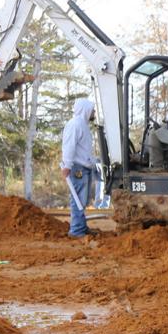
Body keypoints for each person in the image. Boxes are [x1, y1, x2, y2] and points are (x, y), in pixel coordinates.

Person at [61, 97, 98, 238]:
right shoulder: (75, 124)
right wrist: (67, 165)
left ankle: (81, 227)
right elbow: (69, 146)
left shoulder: (83, 125)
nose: (94, 113)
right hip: (77, 168)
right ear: (86, 110)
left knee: (82, 200)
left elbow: (83, 150)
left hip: (83, 167)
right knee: (77, 200)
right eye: (92, 110)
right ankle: (76, 231)